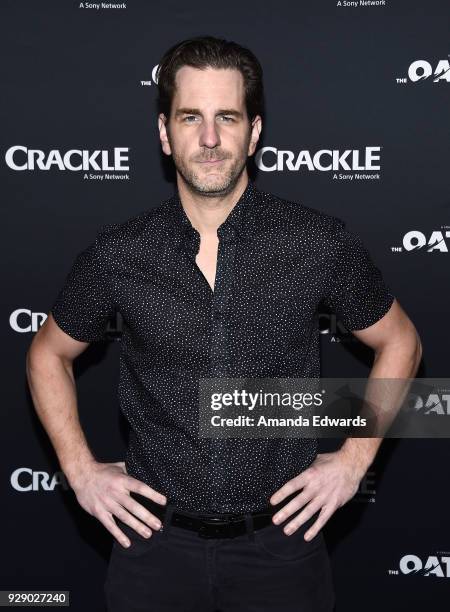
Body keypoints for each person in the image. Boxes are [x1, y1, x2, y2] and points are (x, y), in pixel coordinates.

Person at [26, 36, 422, 612]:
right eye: (191, 118)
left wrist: (355, 458)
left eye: (226, 118)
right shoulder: (121, 251)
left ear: (254, 132)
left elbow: (402, 343)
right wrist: (81, 471)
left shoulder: (315, 242)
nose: (209, 139)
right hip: (151, 550)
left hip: (283, 551)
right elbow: (46, 354)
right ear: (165, 134)